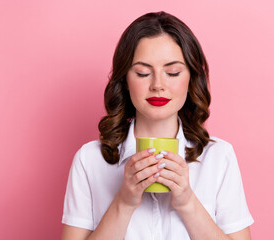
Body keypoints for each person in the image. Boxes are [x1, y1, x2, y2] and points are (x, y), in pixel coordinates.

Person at [61, 11, 254, 240]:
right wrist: (124, 201)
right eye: (143, 73)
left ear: (191, 77)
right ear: (124, 80)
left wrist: (187, 202)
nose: (158, 85)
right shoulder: (90, 160)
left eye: (172, 72)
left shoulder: (219, 157)